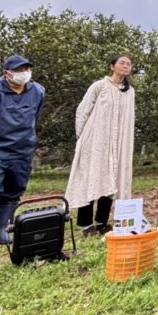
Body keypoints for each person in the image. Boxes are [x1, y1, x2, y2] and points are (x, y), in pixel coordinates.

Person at [0, 56, 45, 247]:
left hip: (22, 149)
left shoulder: (38, 91)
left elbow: (34, 117)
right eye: (19, 70)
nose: (24, 73)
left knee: (13, 189)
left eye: (27, 69)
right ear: (7, 73)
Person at [65, 55, 135, 235]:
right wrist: (82, 137)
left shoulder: (129, 91)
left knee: (112, 180)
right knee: (91, 178)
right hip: (95, 142)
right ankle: (85, 224)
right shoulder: (99, 86)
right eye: (122, 63)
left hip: (117, 144)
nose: (125, 66)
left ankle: (102, 222)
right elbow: (82, 110)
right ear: (112, 66)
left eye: (128, 64)